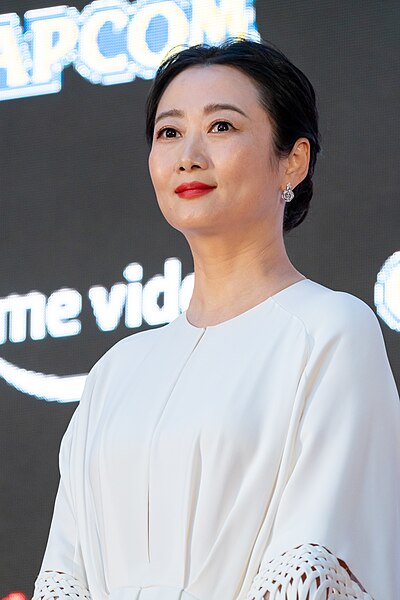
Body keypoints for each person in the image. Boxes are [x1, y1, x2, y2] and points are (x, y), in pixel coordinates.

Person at [32, 39, 400, 600]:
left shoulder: (330, 330)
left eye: (222, 127)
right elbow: (66, 572)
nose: (189, 155)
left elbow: (317, 557)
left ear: (292, 159)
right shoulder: (114, 373)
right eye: (169, 132)